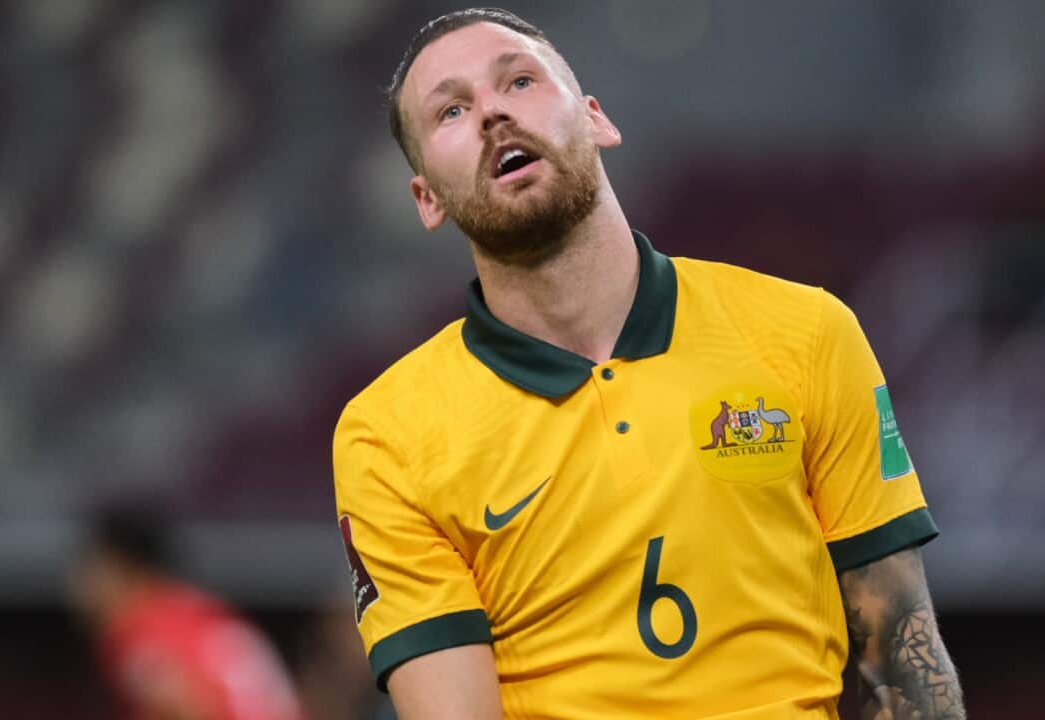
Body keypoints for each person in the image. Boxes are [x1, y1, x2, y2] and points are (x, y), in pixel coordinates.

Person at [332, 7, 965, 719]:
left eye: (519, 80)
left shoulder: (807, 333)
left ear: (596, 119)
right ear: (427, 199)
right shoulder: (388, 433)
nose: (492, 114)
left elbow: (903, 661)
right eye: (451, 109)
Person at [70, 503, 304, 720]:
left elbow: (186, 708)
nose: (80, 585)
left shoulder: (140, 628)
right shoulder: (196, 612)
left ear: (125, 569)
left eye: (91, 569)